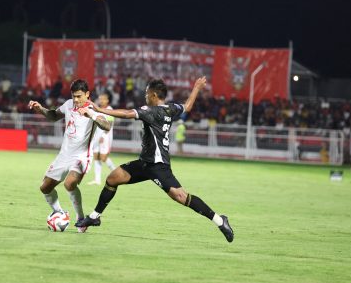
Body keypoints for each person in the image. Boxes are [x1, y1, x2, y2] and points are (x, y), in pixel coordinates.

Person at [76, 77, 234, 242]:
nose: (145, 96)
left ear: (153, 95)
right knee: (112, 179)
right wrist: (196, 87)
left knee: (181, 196)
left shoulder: (151, 111)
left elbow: (127, 114)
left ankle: (220, 220)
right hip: (145, 163)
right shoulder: (171, 108)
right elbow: (187, 106)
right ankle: (94, 217)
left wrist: (98, 109)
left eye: (147, 93)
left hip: (158, 166)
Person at [28, 79, 111, 232]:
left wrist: (91, 115)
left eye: (79, 96)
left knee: (69, 183)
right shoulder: (68, 105)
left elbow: (107, 126)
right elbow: (54, 116)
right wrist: (40, 109)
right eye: (74, 96)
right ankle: (59, 212)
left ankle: (80, 218)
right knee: (45, 187)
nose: (76, 100)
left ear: (87, 94)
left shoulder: (93, 109)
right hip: (64, 155)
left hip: (82, 156)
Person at [87, 92, 116, 185]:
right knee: (96, 156)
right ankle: (97, 180)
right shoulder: (98, 109)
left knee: (103, 158)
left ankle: (116, 172)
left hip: (105, 137)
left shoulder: (110, 110)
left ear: (107, 100)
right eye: (100, 99)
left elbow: (110, 125)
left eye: (103, 99)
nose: (101, 101)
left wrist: (103, 136)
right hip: (97, 136)